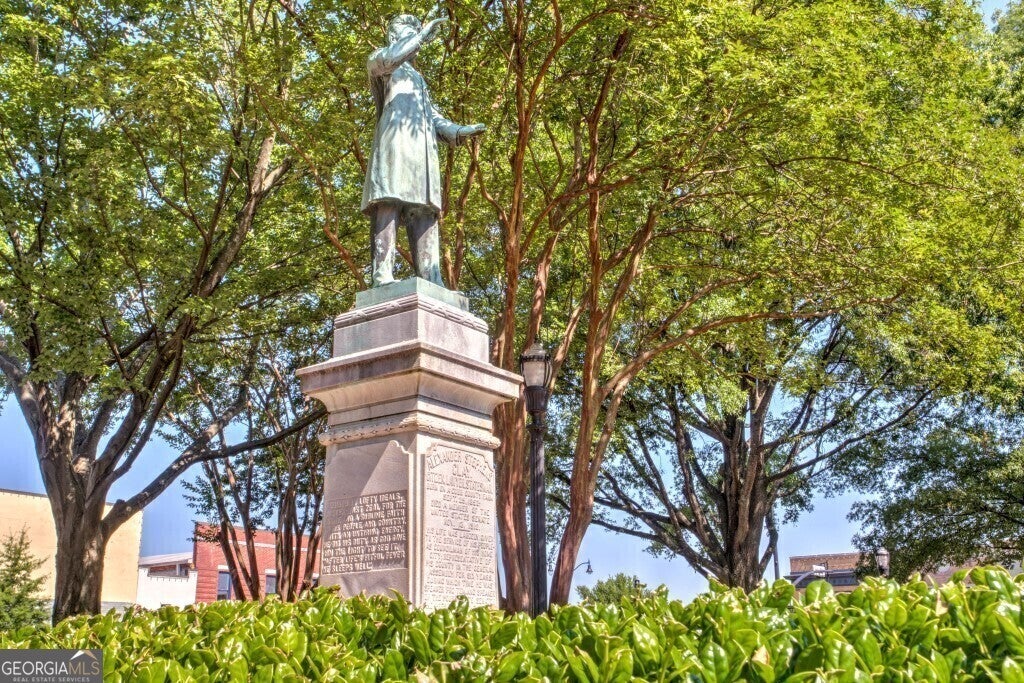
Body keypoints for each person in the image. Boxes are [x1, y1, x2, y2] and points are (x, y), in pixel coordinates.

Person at [361, 14, 486, 288]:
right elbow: (392, 58)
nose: (416, 42)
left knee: (424, 208)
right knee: (388, 201)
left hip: (422, 152)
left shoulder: (418, 79)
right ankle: (382, 276)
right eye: (409, 35)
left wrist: (458, 130)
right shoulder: (379, 61)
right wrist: (420, 36)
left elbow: (433, 116)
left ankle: (431, 278)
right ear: (394, 38)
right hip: (394, 143)